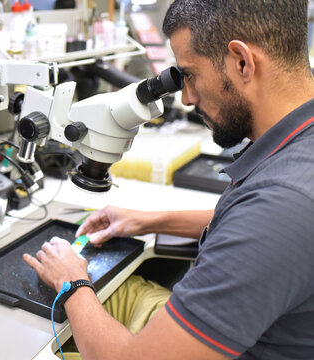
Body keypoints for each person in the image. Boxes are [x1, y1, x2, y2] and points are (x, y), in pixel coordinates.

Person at [23, 1, 314, 359]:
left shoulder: (281, 207)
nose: (188, 98)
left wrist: (71, 281)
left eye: (189, 75)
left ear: (242, 62)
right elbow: (249, 226)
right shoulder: (297, 149)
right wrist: (148, 220)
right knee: (120, 292)